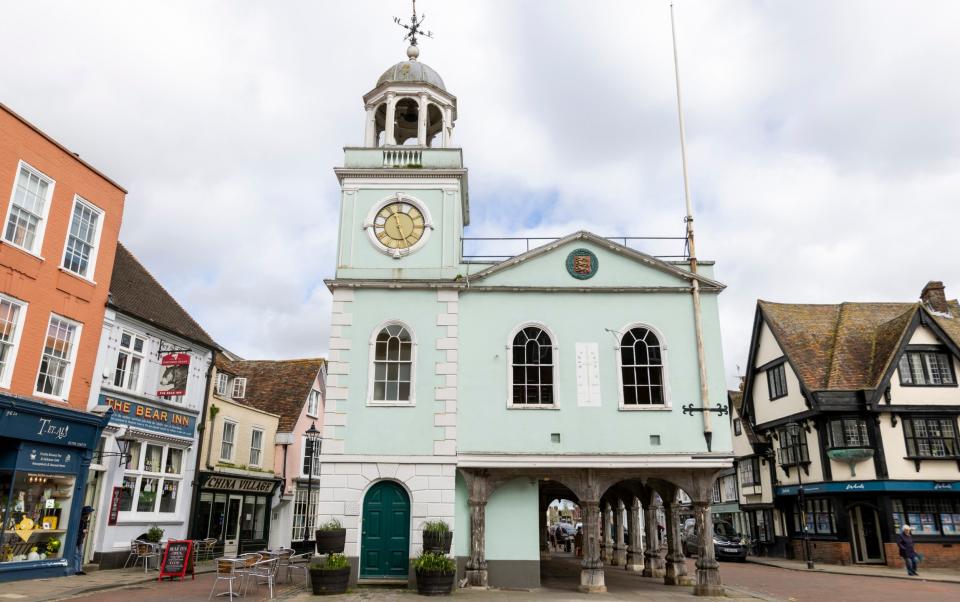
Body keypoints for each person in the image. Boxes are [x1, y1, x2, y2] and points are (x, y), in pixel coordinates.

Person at [74, 506, 94, 576]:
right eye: (89, 512)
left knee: (80, 554)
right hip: (77, 539)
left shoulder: (85, 520)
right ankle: (76, 570)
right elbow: (75, 529)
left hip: (81, 539)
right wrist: (83, 530)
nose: (89, 514)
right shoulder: (80, 520)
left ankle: (79, 569)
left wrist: (84, 531)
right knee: (76, 555)